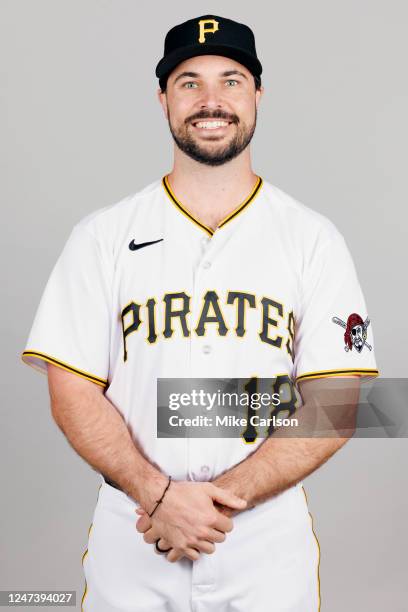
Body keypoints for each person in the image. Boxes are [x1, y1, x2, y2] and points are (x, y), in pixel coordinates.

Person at [21, 14, 379, 612]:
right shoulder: (104, 236)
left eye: (231, 80)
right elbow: (71, 391)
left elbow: (339, 400)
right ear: (162, 97)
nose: (211, 100)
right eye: (189, 82)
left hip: (263, 539)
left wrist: (217, 502)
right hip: (136, 530)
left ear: (258, 94)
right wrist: (159, 497)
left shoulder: (312, 239)